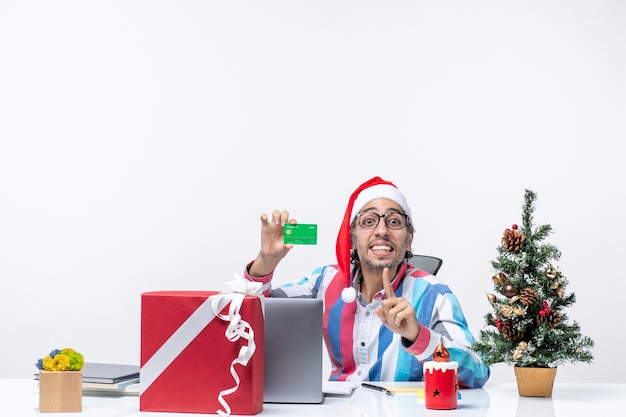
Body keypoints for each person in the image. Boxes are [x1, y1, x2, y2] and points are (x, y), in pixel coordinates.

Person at [243, 176, 490, 388]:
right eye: (369, 221)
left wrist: (417, 336)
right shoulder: (325, 281)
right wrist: (266, 263)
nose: (382, 230)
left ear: (409, 240)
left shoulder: (435, 294)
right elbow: (251, 321)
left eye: (394, 221)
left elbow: (479, 370)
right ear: (351, 238)